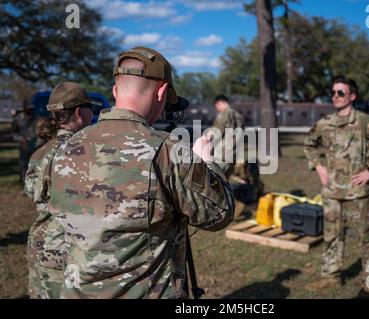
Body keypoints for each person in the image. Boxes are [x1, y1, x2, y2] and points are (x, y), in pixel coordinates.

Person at [48, 47, 235, 299]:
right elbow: (219, 214)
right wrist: (207, 163)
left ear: (115, 91)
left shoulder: (64, 147)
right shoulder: (167, 151)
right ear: (162, 92)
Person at [303, 75, 369, 298]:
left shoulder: (365, 122)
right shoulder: (325, 123)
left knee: (366, 240)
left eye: (341, 93)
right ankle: (330, 278)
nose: (335, 97)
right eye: (333, 93)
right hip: (331, 191)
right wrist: (319, 167)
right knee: (331, 236)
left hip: (356, 193)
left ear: (352, 96)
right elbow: (309, 144)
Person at [24, 82, 95, 298]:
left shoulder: (39, 153)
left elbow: (31, 192)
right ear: (80, 113)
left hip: (39, 247)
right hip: (71, 253)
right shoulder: (87, 153)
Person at [11, 100, 38, 182]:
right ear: (24, 108)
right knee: (23, 164)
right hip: (23, 146)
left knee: (34, 164)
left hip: (35, 145)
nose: (31, 110)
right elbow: (14, 133)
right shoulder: (18, 118)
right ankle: (23, 181)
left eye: (32, 108)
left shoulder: (36, 118)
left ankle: (33, 181)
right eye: (29, 108)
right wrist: (20, 139)